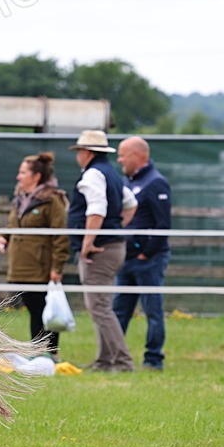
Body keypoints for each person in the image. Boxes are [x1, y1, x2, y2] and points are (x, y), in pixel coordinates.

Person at [68, 130, 137, 372]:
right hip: (113, 246)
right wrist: (115, 228)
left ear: (86, 153)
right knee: (102, 306)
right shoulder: (112, 174)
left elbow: (97, 208)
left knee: (99, 307)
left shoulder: (93, 174)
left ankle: (122, 361)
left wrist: (89, 241)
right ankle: (105, 360)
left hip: (100, 250)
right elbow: (130, 204)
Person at [0, 152, 69, 361]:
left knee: (44, 310)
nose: (19, 176)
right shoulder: (19, 198)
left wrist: (57, 267)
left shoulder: (53, 200)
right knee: (33, 309)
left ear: (36, 176)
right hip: (20, 265)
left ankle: (50, 353)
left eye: (23, 172)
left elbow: (61, 236)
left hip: (41, 266)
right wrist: (3, 237)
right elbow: (12, 225)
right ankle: (37, 351)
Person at [113, 136, 173, 370]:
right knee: (119, 311)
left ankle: (153, 359)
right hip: (126, 258)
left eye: (122, 155)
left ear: (138, 156)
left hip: (149, 260)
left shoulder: (156, 182)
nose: (119, 160)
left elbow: (163, 225)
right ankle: (115, 358)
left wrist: (146, 254)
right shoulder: (126, 182)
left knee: (153, 311)